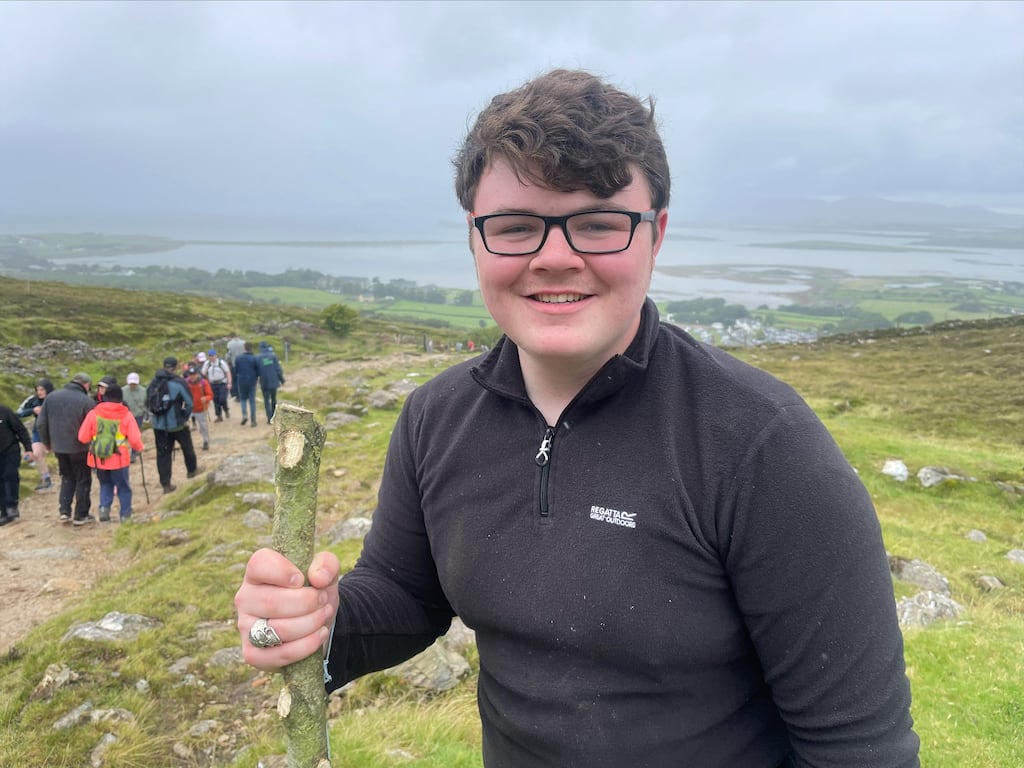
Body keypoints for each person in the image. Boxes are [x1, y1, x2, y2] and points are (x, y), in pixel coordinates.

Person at [234, 70, 919, 768]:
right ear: (474, 238)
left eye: (598, 223)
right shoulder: (435, 419)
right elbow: (408, 597)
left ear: (657, 236)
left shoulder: (762, 447)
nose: (555, 258)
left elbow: (859, 749)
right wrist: (315, 624)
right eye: (515, 227)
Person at [77, 384, 144, 523]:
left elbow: (82, 437)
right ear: (121, 398)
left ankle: (103, 510)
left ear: (104, 398)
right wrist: (139, 448)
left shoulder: (93, 413)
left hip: (98, 458)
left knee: (105, 484)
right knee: (123, 487)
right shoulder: (126, 415)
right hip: (119, 459)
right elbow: (135, 439)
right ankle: (125, 515)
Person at [36, 372, 96, 525]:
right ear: (86, 384)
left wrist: (47, 443)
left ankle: (64, 511)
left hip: (59, 446)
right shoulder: (87, 401)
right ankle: (81, 515)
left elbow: (41, 423)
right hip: (80, 447)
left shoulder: (51, 397)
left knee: (67, 477)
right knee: (83, 478)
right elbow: (94, 426)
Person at [147, 357, 199, 494]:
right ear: (175, 368)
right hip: (177, 424)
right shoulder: (179, 383)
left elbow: (148, 402)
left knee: (163, 454)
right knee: (187, 447)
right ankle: (192, 471)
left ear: (163, 366)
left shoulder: (153, 383)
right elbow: (189, 403)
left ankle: (166, 484)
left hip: (159, 426)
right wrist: (184, 416)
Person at [16, 378, 55, 490]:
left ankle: (69, 476)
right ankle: (46, 479)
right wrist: (33, 410)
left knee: (62, 454)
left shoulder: (55, 398)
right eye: (37, 390)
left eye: (42, 389)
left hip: (55, 430)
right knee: (37, 454)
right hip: (38, 431)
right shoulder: (33, 400)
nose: (39, 392)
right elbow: (19, 413)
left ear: (48, 389)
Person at [0, 402, 33, 526]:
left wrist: (28, 448)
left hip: (10, 450)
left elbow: (20, 429)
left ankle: (12, 505)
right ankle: (4, 512)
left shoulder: (4, 410)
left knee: (10, 475)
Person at [256, 341, 285, 424]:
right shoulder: (273, 356)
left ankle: (269, 418)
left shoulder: (258, 358)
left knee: (266, 400)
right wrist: (282, 380)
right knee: (273, 399)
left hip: (264, 382)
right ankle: (274, 416)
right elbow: (278, 369)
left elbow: (256, 371)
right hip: (274, 381)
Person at [184, 366, 213, 450]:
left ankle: (206, 441)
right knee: (185, 426)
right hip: (189, 408)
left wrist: (206, 398)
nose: (192, 376)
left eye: (194, 374)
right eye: (190, 374)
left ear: (197, 374)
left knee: (203, 426)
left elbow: (210, 394)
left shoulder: (203, 382)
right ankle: (187, 444)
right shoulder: (185, 383)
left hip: (200, 408)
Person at [232, 342, 260, 428]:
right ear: (251, 348)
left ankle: (244, 415)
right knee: (252, 401)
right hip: (252, 381)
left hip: (241, 381)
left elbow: (235, 370)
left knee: (243, 399)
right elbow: (258, 371)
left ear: (244, 348)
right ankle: (253, 420)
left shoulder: (238, 358)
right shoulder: (254, 358)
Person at [122, 372, 148, 462]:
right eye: (131, 383)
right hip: (125, 417)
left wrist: (146, 413)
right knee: (122, 436)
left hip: (138, 416)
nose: (133, 385)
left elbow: (146, 404)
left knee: (135, 436)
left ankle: (134, 454)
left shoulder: (144, 391)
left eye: (134, 383)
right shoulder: (122, 391)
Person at [202, 348, 232, 421]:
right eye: (210, 356)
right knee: (215, 400)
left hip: (222, 383)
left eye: (212, 355)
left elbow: (228, 372)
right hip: (212, 384)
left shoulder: (221, 363)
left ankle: (226, 409)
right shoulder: (207, 364)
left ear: (216, 355)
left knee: (222, 399)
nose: (211, 357)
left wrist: (229, 382)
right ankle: (219, 415)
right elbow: (203, 373)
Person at [226, 333, 246, 400]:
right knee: (243, 380)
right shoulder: (244, 343)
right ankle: (244, 394)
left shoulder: (230, 344)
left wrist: (228, 361)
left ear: (231, 337)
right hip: (244, 364)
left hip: (234, 364)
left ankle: (236, 395)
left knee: (235, 380)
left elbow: (228, 355)